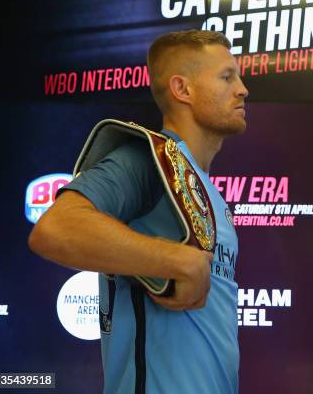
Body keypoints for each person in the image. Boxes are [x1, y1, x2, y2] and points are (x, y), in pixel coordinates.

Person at [28, 30, 249, 393]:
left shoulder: (204, 188)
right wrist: (177, 260)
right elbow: (55, 228)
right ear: (183, 90)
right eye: (227, 77)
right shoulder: (149, 159)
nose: (242, 89)